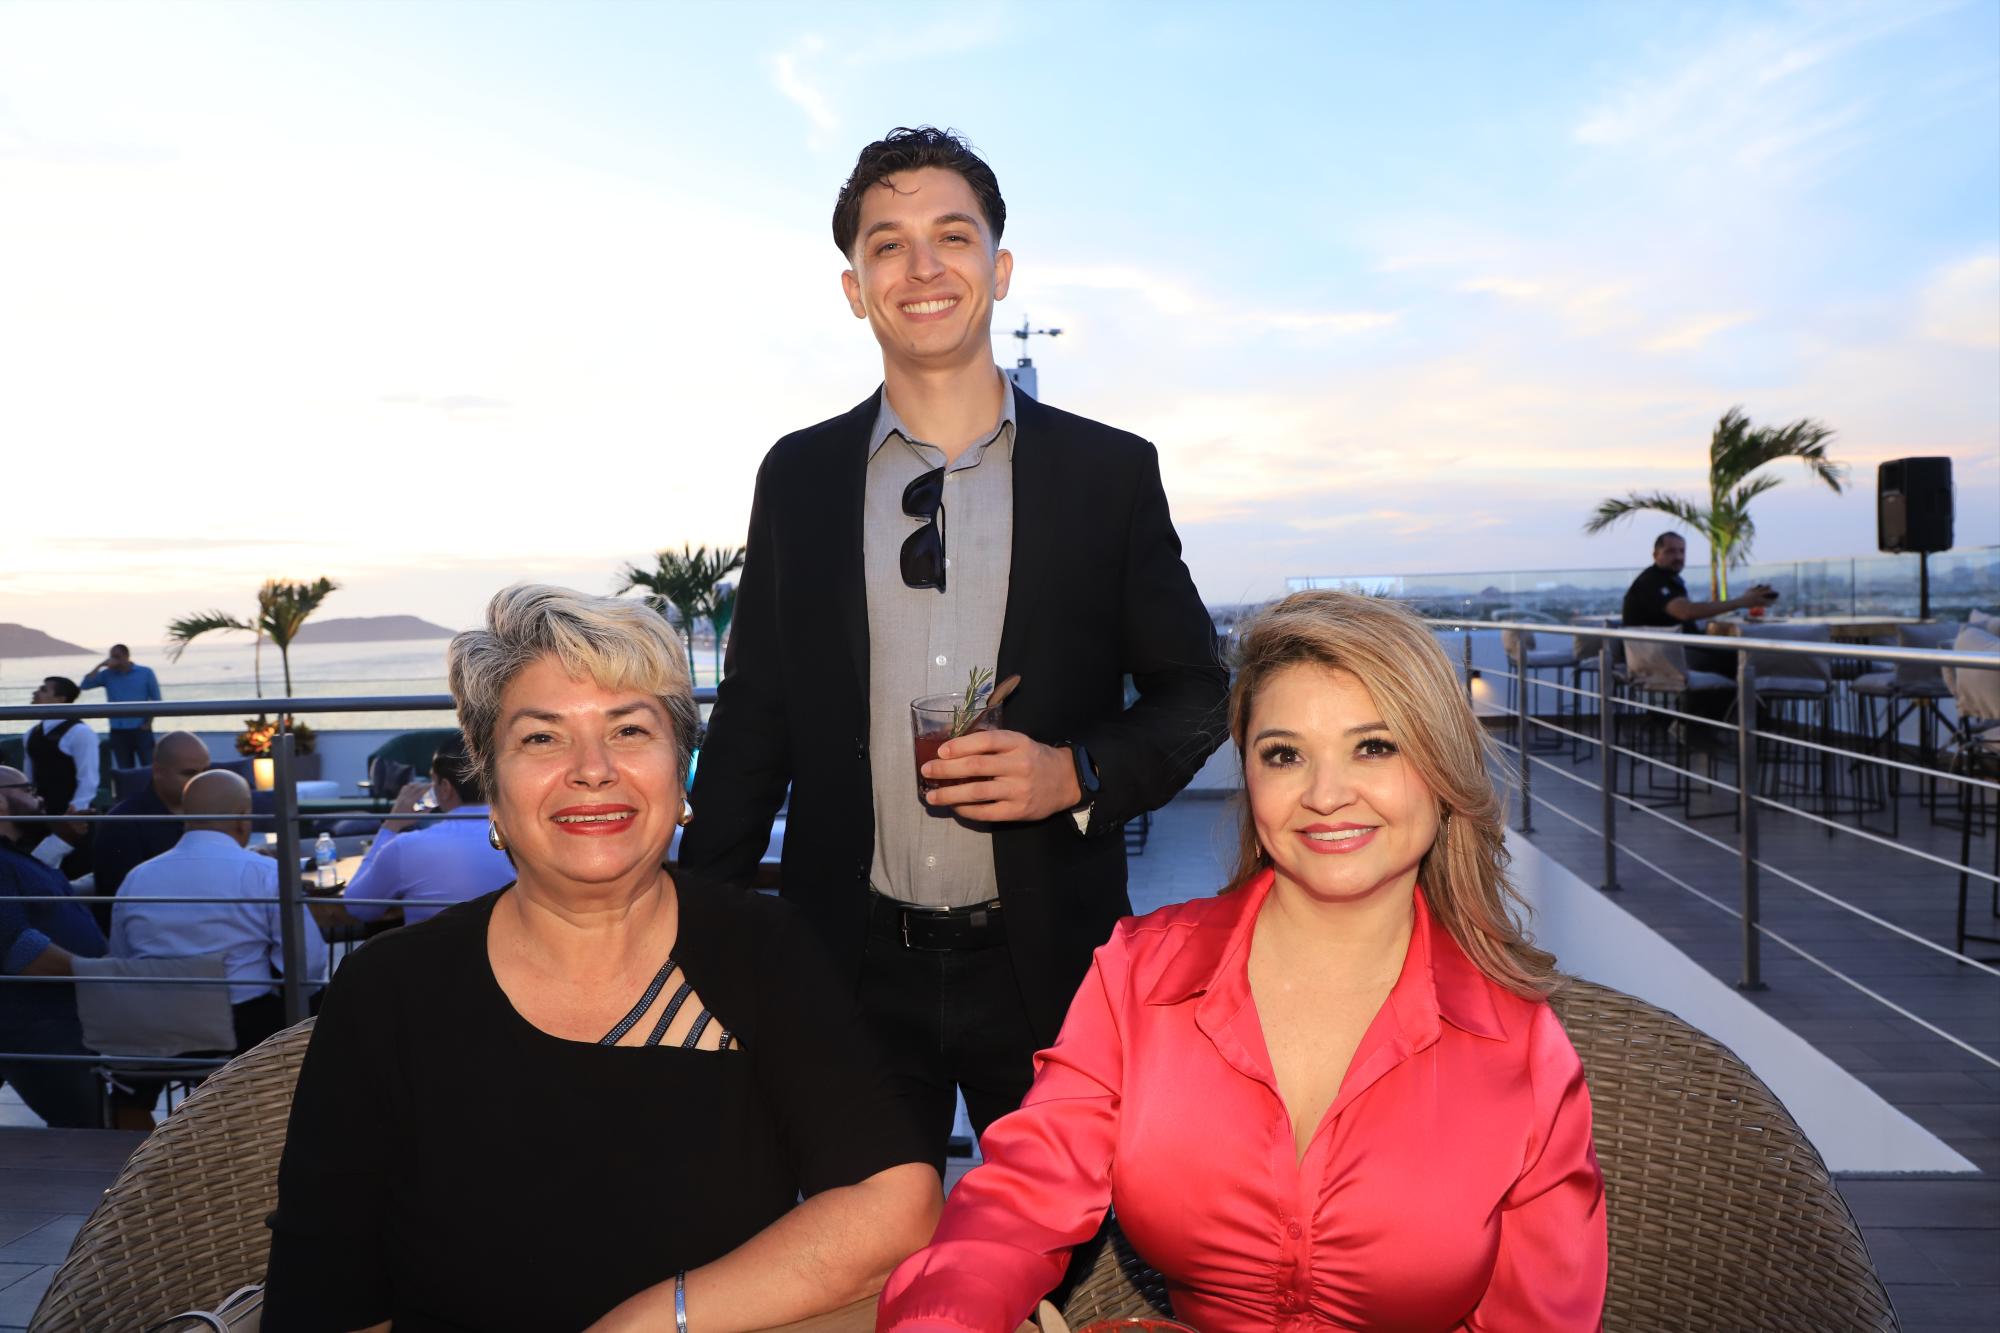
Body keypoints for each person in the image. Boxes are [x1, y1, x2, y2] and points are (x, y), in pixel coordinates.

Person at [682, 127, 1230, 1171]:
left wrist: (1072, 771)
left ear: (999, 267)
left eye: (951, 236)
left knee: (1063, 1245)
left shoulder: (1106, 474)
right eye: (887, 245)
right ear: (854, 288)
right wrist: (699, 933)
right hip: (844, 964)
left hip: (1047, 964)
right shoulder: (796, 476)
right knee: (865, 1250)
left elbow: (1196, 691)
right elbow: (753, 715)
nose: (922, 267)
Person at [879, 591, 1607, 1331]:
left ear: (1441, 771)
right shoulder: (1141, 974)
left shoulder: (1519, 1046)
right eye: (1285, 754)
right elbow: (1010, 1210)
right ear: (1249, 775)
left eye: (1375, 746)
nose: (1326, 795)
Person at [265, 585, 938, 1332]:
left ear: (681, 774)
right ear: (491, 786)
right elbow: (321, 1299)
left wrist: (653, 1320)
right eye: (542, 738)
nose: (592, 769)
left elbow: (898, 1204)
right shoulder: (390, 992)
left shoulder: (760, 950)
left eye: (628, 731)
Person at [111, 770, 329, 1055]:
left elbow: (121, 956)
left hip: (155, 1028)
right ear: (243, 818)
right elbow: (308, 965)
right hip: (242, 1031)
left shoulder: (136, 878)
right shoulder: (263, 873)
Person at [0, 766, 128, 1129]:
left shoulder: (18, 859)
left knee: (91, 1125)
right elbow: (17, 949)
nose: (40, 799)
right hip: (39, 1030)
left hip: (61, 1023)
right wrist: (104, 973)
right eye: (29, 790)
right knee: (87, 1131)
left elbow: (53, 901)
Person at [342, 730, 515, 925]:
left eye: (433, 781)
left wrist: (392, 824)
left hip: (430, 954)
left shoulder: (406, 847)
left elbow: (358, 906)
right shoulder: (523, 839)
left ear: (445, 788)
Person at [90, 730, 210, 921]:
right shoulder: (123, 824)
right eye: (189, 774)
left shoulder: (211, 813)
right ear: (158, 771)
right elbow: (118, 903)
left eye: (206, 773)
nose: (200, 782)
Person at [1622, 531, 1776, 634]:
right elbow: (1686, 611)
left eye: (1682, 551)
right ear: (1656, 555)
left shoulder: (1670, 580)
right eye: (1671, 551)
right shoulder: (1651, 581)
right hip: (1667, 658)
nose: (1678, 556)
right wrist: (1741, 602)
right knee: (1748, 658)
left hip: (1678, 651)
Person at [25, 677, 99, 817]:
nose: (36, 693)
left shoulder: (80, 732)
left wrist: (77, 810)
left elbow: (88, 777)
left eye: (44, 690)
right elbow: (29, 774)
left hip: (68, 811)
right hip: (40, 811)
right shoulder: (31, 733)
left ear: (61, 698)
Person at [79, 644, 162, 768]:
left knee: (149, 768)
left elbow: (156, 699)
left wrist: (148, 723)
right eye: (112, 656)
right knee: (125, 770)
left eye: (117, 656)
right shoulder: (107, 674)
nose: (114, 659)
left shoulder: (145, 672)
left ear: (126, 656)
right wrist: (100, 665)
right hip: (118, 731)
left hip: (141, 729)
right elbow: (85, 685)